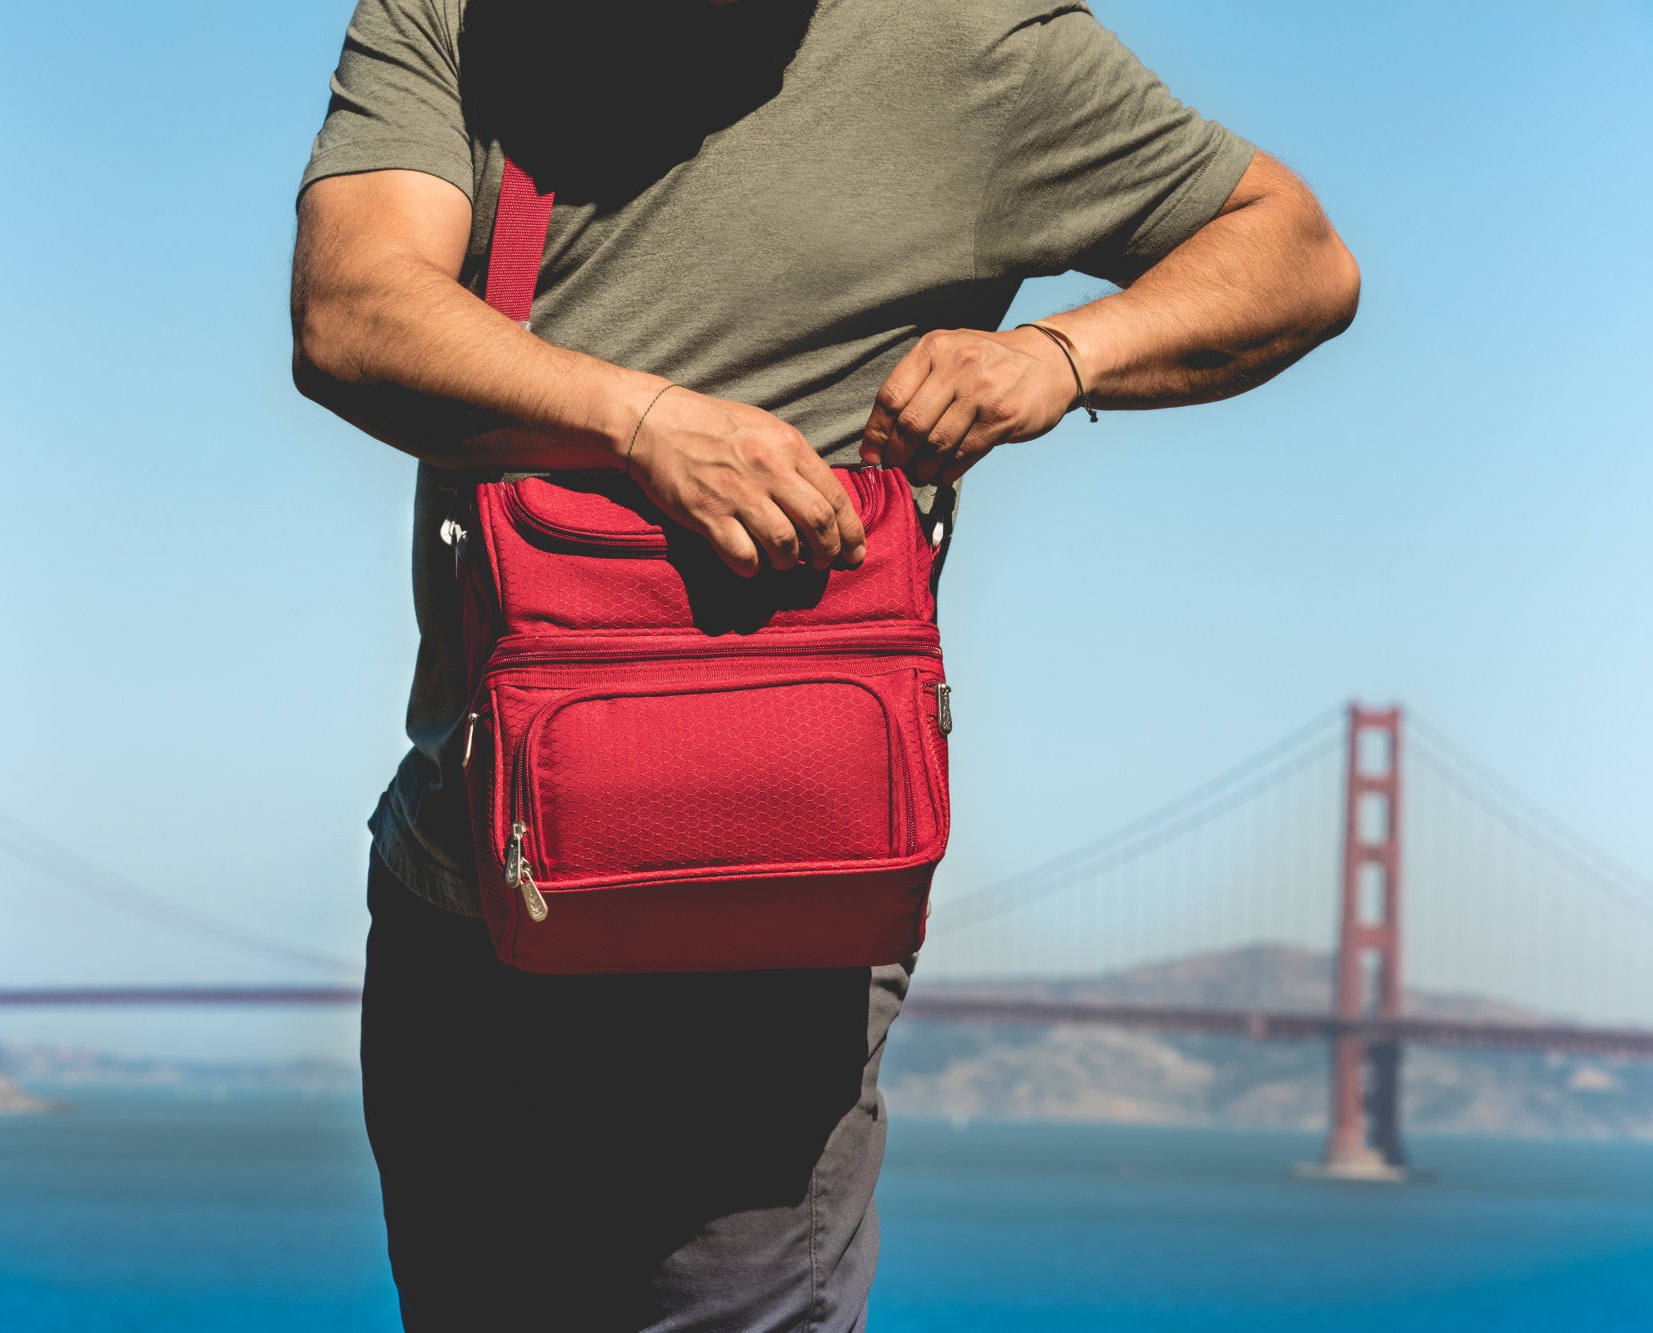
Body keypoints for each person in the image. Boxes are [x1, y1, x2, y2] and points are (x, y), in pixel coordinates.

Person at [291, 0, 1358, 1326]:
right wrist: (643, 424)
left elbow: (1298, 254)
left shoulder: (973, 40)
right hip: (477, 877)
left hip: (766, 926)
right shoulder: (459, 13)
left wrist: (1061, 356)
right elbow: (349, 306)